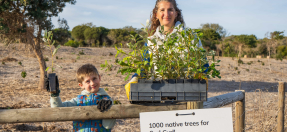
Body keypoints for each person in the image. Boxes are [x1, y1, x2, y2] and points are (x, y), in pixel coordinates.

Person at [125, 0, 208, 99]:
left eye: (170, 10)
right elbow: (144, 68)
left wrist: (202, 75)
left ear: (176, 13)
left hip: (187, 95)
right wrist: (134, 79)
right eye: (162, 10)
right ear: (156, 14)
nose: (166, 14)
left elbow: (203, 64)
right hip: (159, 96)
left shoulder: (191, 37)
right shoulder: (151, 42)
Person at [47, 64, 116, 132]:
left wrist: (108, 108)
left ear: (99, 78)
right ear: (81, 85)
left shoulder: (107, 101)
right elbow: (58, 110)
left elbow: (108, 126)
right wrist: (54, 95)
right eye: (87, 81)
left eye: (94, 79)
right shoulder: (78, 101)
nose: (92, 83)